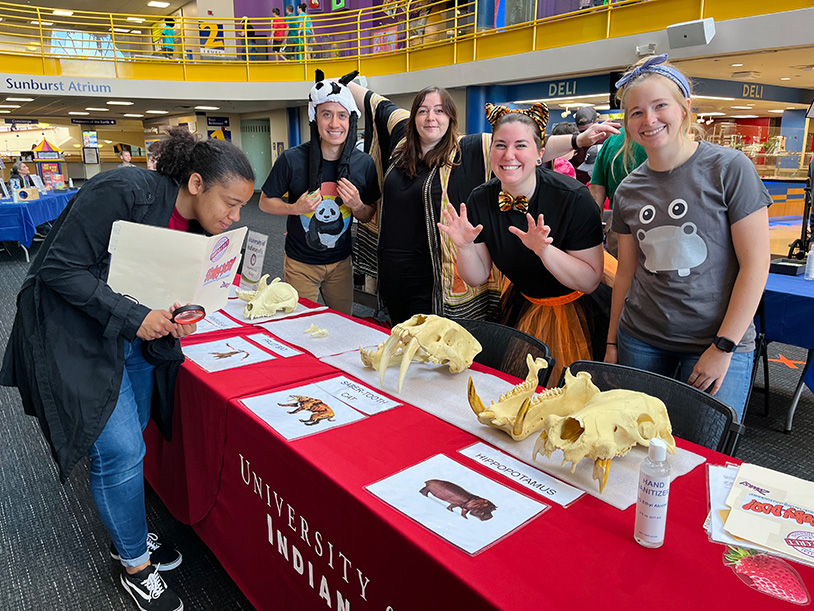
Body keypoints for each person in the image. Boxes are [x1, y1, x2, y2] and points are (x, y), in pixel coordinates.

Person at [0, 126, 255, 611]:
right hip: (77, 333)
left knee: (132, 435)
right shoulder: (123, 190)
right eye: (231, 203)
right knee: (120, 449)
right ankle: (135, 567)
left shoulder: (200, 230)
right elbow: (59, 268)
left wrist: (183, 314)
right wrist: (135, 316)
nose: (236, 216)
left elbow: (163, 283)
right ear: (196, 183)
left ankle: (127, 534)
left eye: (242, 206)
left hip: (135, 336)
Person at [347, 81, 617, 325]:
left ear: (451, 119)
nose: (431, 117)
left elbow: (521, 144)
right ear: (412, 117)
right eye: (423, 111)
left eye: (440, 111)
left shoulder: (467, 149)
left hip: (434, 274)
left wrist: (578, 140)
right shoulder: (400, 142)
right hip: (394, 268)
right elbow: (378, 103)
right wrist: (340, 83)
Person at [605, 54, 771, 421]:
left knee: (704, 447)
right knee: (637, 441)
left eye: (660, 106)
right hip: (641, 339)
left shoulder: (729, 168)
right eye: (636, 112)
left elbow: (757, 265)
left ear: (684, 108)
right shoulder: (628, 189)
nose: (649, 120)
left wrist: (723, 347)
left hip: (715, 341)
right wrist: (613, 341)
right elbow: (626, 274)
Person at [439, 104, 605, 382]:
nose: (508, 155)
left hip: (582, 310)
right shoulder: (480, 199)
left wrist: (544, 251)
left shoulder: (573, 198)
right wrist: (464, 247)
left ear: (540, 154)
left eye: (521, 145)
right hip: (526, 302)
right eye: (500, 145)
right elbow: (476, 277)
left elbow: (589, 281)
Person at [259, 70, 379, 315]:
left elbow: (369, 214)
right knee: (298, 325)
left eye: (342, 115)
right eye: (327, 114)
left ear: (350, 120)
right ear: (315, 117)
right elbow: (264, 202)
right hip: (300, 263)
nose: (334, 124)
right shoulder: (292, 159)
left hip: (341, 263)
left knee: (343, 323)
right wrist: (295, 208)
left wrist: (357, 205)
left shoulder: (363, 163)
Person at [589, 127, 647, 256]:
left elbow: (596, 195)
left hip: (619, 229)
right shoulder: (668, 138)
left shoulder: (612, 141)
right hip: (661, 228)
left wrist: (592, 243)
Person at [570, 106, 598, 184]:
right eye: (582, 132)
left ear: (596, 122)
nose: (587, 135)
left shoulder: (605, 140)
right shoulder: (573, 142)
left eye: (589, 130)